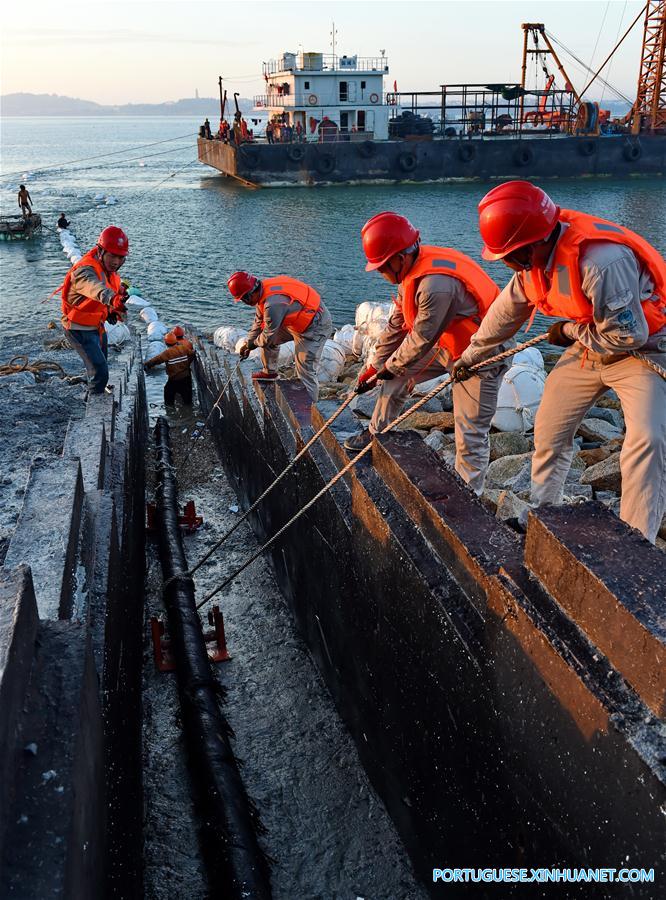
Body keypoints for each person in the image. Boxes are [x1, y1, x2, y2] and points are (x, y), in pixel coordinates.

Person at [453, 180, 666, 542]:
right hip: (589, 346)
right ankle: (545, 515)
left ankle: (636, 543)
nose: (506, 264)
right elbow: (504, 314)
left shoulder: (602, 262)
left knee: (646, 440)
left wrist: (568, 332)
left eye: (509, 256)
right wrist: (472, 355)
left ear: (534, 243)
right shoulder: (530, 265)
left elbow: (628, 337)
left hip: (640, 352)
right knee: (549, 428)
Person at [343, 212, 505, 496]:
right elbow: (397, 324)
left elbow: (420, 339)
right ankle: (376, 435)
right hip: (446, 343)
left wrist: (390, 367)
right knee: (392, 377)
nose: (381, 273)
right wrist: (374, 367)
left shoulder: (436, 285)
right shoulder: (410, 272)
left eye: (382, 267)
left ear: (399, 258)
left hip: (481, 355)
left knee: (470, 432)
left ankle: (469, 497)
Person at [227, 270, 333, 402]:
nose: (244, 302)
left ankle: (308, 410)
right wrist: (248, 343)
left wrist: (253, 345)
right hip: (297, 322)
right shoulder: (262, 293)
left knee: (305, 371)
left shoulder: (273, 304)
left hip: (315, 326)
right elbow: (258, 323)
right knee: (265, 339)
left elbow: (268, 336)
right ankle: (269, 373)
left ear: (249, 295)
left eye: (243, 299)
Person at [57, 226, 129, 395]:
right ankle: (95, 405)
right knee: (100, 371)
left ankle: (95, 390)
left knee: (101, 363)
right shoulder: (84, 271)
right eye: (112, 255)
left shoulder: (109, 271)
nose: (116, 262)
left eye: (121, 257)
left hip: (96, 326)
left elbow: (102, 295)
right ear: (100, 250)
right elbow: (94, 288)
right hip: (78, 328)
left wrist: (111, 311)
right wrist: (112, 299)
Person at [144, 332, 195, 407]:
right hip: (187, 377)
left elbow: (156, 360)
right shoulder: (183, 348)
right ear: (175, 341)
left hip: (174, 379)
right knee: (187, 399)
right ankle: (189, 412)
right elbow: (192, 354)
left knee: (168, 396)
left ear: (166, 343)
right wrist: (187, 364)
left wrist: (146, 365)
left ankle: (170, 411)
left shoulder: (167, 353)